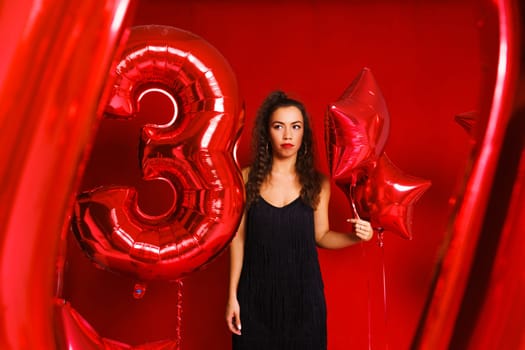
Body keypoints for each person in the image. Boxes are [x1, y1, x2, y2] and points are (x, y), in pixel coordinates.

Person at [225, 91, 374, 350]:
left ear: (304, 133)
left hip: (305, 302)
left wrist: (356, 236)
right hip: (254, 298)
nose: (287, 135)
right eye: (278, 126)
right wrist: (232, 297)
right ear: (266, 133)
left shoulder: (318, 184)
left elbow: (321, 236)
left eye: (295, 127)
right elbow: (237, 239)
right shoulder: (245, 178)